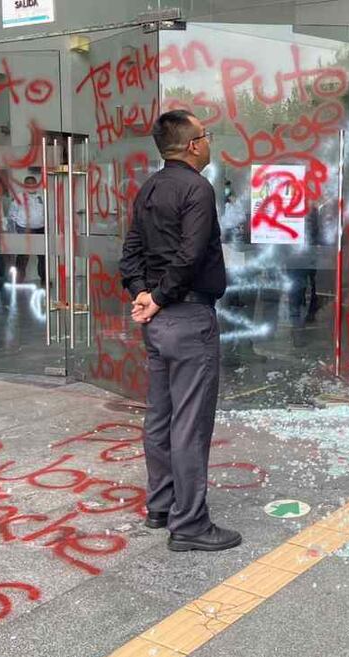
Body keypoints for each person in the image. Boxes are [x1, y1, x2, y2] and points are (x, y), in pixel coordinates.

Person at [119, 109, 240, 553]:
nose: (209, 142)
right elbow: (189, 257)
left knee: (161, 416)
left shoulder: (149, 188)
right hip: (187, 319)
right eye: (205, 136)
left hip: (157, 322)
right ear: (192, 145)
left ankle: (162, 505)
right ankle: (189, 525)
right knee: (189, 423)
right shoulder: (197, 188)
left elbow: (130, 252)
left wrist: (142, 294)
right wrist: (160, 296)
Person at [8, 174, 47, 286]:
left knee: (43, 255)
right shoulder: (18, 197)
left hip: (40, 228)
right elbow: (11, 214)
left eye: (33, 183)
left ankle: (44, 279)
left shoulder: (42, 197)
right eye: (28, 184)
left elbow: (46, 213)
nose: (31, 186)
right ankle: (18, 280)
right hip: (24, 228)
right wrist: (13, 231)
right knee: (23, 255)